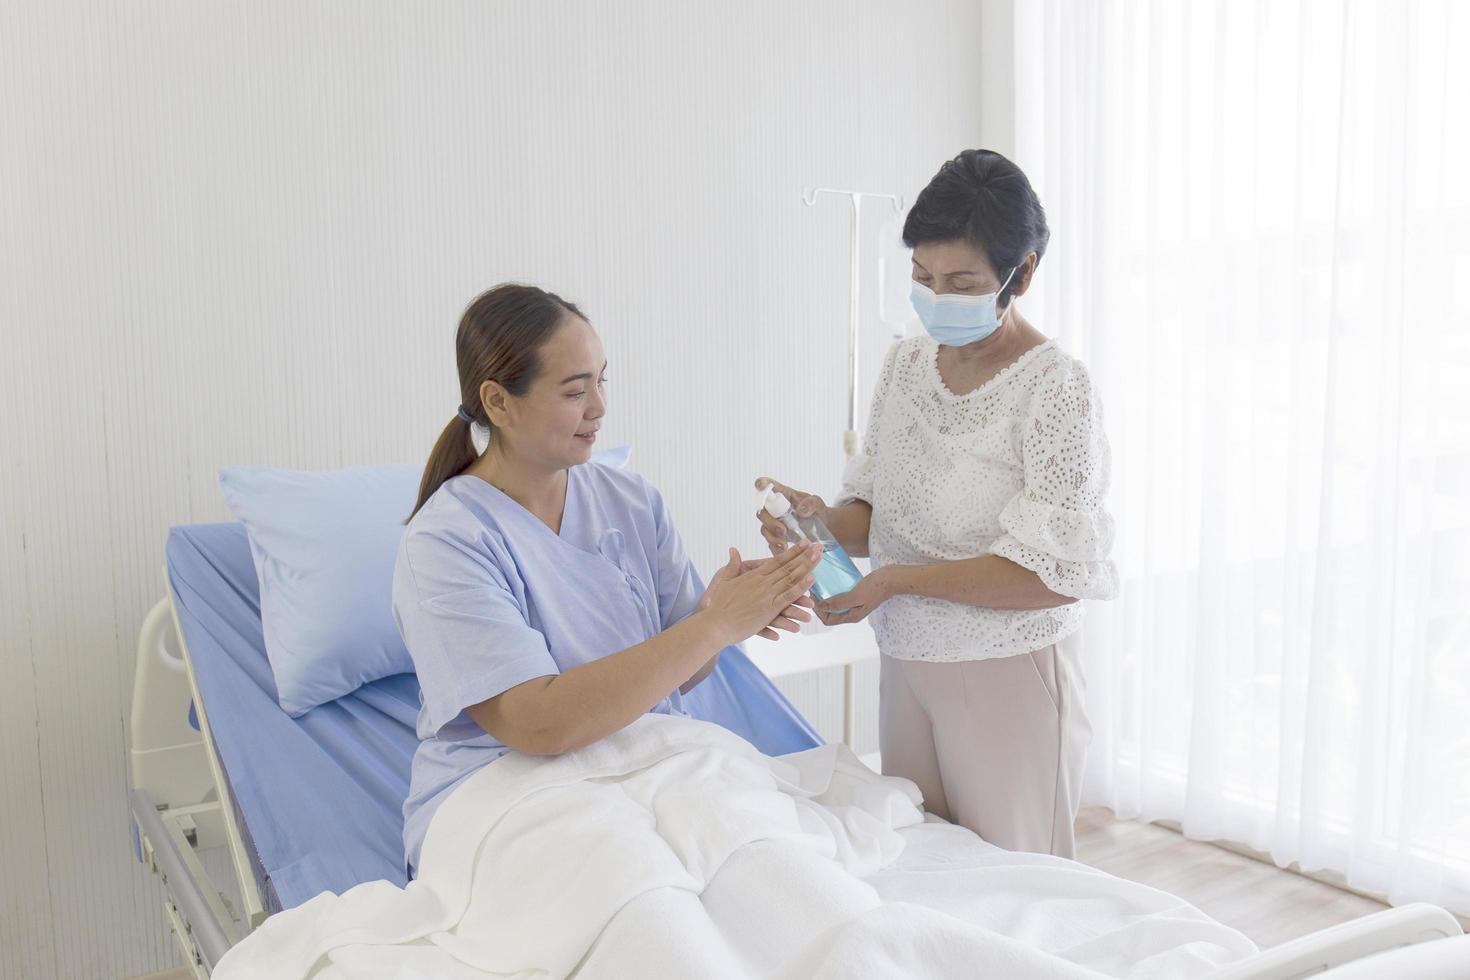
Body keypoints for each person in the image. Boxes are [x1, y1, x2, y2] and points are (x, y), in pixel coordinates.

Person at [756, 149, 1118, 858]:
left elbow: (1049, 575)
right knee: (927, 874)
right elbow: (877, 513)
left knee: (1020, 892)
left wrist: (896, 582)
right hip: (909, 666)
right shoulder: (905, 366)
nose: (937, 297)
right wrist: (818, 525)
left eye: (962, 283)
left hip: (1007, 676)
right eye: (924, 278)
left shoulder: (1055, 391)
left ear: (1025, 272)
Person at [396, 282, 820, 873]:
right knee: (639, 894)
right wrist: (713, 624)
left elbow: (683, 671)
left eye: (601, 381)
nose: (598, 407)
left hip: (648, 760)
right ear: (498, 401)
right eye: (574, 391)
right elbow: (536, 724)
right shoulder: (447, 541)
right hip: (506, 791)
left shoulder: (632, 499)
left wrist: (724, 620)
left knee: (769, 865)